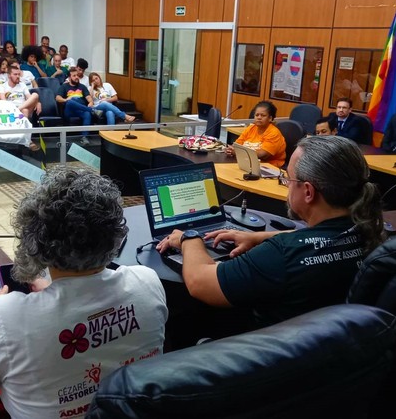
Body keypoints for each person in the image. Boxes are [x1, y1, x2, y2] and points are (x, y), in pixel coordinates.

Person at [0, 167, 168, 418]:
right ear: (115, 234)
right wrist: (55, 292)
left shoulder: (6, 318)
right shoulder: (147, 282)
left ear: (36, 241)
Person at [157, 136, 384, 328]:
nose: (285, 184)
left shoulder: (282, 255)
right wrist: (258, 237)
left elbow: (200, 283)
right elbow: (313, 244)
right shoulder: (370, 234)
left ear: (308, 192)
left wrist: (188, 238)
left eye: (288, 178)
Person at [225, 100, 286, 168]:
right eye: (257, 115)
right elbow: (237, 145)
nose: (259, 117)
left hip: (269, 166)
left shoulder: (274, 133)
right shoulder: (250, 128)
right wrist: (231, 150)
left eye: (263, 115)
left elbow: (262, 155)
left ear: (270, 118)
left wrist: (238, 152)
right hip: (248, 162)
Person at [56, 67, 95, 146]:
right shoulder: (64, 86)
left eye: (77, 75)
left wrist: (91, 103)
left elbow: (89, 99)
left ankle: (84, 137)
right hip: (69, 111)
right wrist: (66, 100)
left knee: (87, 113)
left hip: (80, 110)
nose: (76, 77)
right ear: (70, 77)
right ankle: (93, 111)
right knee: (70, 102)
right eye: (74, 76)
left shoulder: (82, 87)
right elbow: (57, 98)